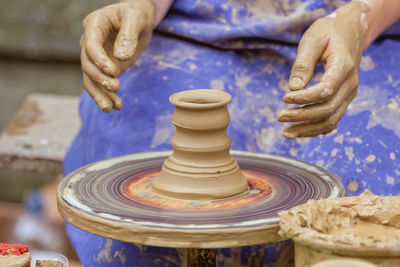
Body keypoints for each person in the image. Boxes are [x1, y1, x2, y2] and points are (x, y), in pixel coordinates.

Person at [64, 0, 400, 266]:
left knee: (358, 205)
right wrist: (144, 5)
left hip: (361, 39)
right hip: (196, 33)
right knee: (130, 181)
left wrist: (361, 20)